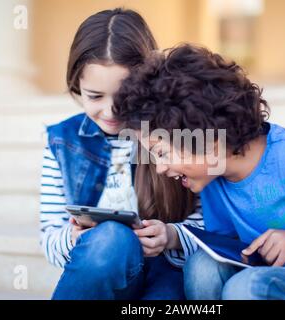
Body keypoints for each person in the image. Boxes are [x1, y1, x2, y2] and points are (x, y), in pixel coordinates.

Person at [113, 43, 285, 300]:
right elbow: (227, 248)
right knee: (203, 266)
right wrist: (170, 235)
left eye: (161, 153)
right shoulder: (213, 182)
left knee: (245, 289)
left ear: (209, 139)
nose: (160, 168)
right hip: (277, 277)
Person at [39, 9, 204, 300]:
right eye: (95, 96)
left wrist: (172, 236)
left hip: (167, 275)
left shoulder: (176, 133)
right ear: (76, 85)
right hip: (102, 267)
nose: (112, 111)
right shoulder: (61, 141)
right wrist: (76, 239)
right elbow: (50, 236)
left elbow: (211, 224)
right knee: (112, 239)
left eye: (125, 93)